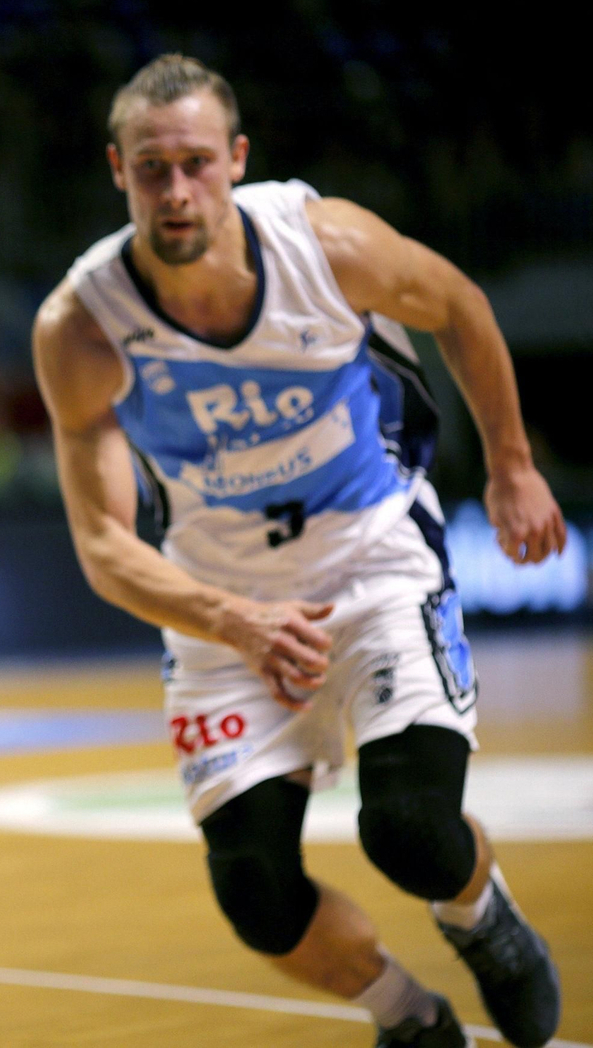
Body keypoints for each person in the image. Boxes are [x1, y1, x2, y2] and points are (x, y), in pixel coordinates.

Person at [33, 54, 563, 1048]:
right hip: (221, 598)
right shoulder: (82, 325)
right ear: (117, 170)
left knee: (407, 830)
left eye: (195, 162)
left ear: (236, 159)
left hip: (372, 563)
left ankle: (479, 910)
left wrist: (512, 465)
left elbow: (460, 306)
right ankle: (406, 1014)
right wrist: (236, 617)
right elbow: (104, 546)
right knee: (255, 892)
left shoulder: (327, 246)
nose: (176, 188)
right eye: (152, 168)